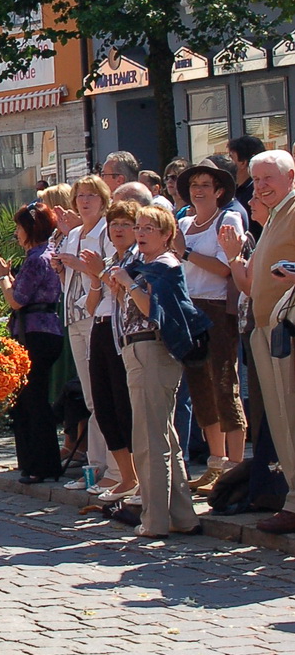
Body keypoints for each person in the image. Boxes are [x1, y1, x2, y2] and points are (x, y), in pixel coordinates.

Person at [105, 204, 202, 538]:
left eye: (149, 228)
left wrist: (128, 284)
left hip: (153, 351)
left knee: (149, 441)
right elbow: (131, 309)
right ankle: (184, 517)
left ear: (166, 235)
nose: (141, 233)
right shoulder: (142, 265)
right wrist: (121, 288)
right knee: (164, 438)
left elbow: (153, 311)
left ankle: (154, 520)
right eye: (139, 227)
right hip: (136, 348)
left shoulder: (165, 266)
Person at [219, 150, 295, 533]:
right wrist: (235, 257)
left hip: (287, 329)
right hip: (265, 330)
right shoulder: (276, 216)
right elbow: (251, 284)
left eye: (269, 178)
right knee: (280, 422)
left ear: (290, 177)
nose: (260, 186)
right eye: (257, 179)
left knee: (290, 418)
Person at [173, 164, 246, 493]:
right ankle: (216, 463)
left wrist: (185, 251)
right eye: (194, 185)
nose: (198, 190)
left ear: (219, 192)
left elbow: (224, 269)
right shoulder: (183, 223)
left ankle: (235, 467)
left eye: (205, 185)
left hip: (216, 309)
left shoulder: (227, 220)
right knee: (200, 387)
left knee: (224, 384)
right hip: (189, 308)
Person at [0, 202, 64, 482]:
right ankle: (38, 463)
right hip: (47, 330)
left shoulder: (35, 259)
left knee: (32, 400)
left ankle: (39, 465)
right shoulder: (48, 254)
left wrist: (2, 279)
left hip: (34, 333)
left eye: (19, 227)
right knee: (33, 399)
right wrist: (8, 277)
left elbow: (17, 300)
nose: (16, 233)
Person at [51, 175, 112, 485]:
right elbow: (69, 282)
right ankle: (96, 465)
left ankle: (112, 468)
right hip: (74, 316)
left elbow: (108, 273)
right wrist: (62, 270)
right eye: (80, 196)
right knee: (90, 398)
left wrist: (77, 265)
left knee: (102, 395)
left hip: (97, 316)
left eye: (91, 195)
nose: (85, 201)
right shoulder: (73, 234)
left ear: (103, 200)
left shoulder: (106, 231)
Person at [82, 200, 140, 502]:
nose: (118, 229)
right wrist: (96, 278)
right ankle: (126, 476)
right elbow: (92, 306)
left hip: (124, 335)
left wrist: (102, 272)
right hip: (101, 328)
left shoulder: (138, 259)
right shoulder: (107, 259)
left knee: (124, 405)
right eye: (114, 224)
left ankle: (137, 476)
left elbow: (129, 299)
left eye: (125, 224)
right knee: (103, 405)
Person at [227, 135, 265, 214]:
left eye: (231, 158)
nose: (227, 162)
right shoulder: (233, 191)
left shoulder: (257, 193)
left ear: (243, 163)